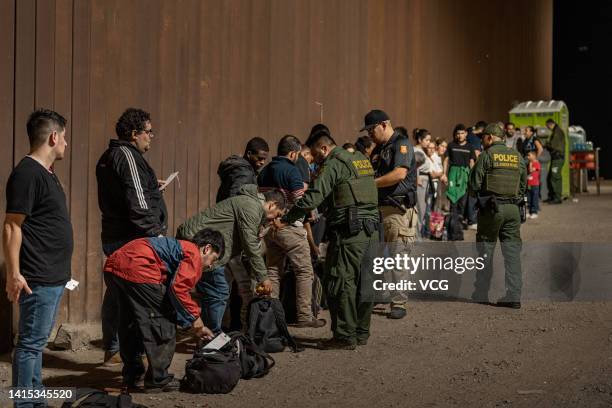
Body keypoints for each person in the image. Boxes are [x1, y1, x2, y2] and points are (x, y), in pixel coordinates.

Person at [280, 129, 379, 349]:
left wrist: (287, 219)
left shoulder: (334, 163)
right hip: (372, 230)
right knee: (366, 282)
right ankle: (361, 332)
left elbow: (314, 197)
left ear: (324, 148)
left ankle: (344, 336)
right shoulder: (360, 159)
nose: (314, 161)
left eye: (315, 155)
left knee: (341, 282)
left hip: (349, 232)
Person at [4, 109, 73, 406]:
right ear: (54, 137)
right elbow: (11, 226)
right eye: (65, 138)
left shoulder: (46, 174)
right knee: (30, 345)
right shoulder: (27, 173)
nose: (66, 145)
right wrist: (14, 273)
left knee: (36, 344)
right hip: (38, 276)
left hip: (55, 276)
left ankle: (36, 400)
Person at [103, 229, 223, 392]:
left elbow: (170, 293)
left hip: (114, 265)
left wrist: (189, 324)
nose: (210, 265)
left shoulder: (176, 247)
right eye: (213, 259)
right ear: (206, 248)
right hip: (139, 267)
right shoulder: (193, 253)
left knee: (130, 324)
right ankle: (158, 380)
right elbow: (178, 289)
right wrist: (196, 319)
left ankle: (132, 376)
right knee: (163, 322)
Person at [96, 107, 168, 365]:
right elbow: (137, 203)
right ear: (135, 134)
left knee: (116, 293)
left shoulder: (109, 156)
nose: (151, 137)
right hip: (131, 238)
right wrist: (156, 235)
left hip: (117, 236)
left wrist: (150, 185)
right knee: (136, 298)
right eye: (149, 132)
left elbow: (131, 192)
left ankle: (113, 349)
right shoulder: (127, 155)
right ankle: (133, 356)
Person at [176, 185, 285, 333]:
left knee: (211, 293)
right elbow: (250, 245)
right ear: (272, 204)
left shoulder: (250, 205)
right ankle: (212, 335)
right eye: (277, 215)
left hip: (204, 245)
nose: (275, 220)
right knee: (219, 291)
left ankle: (205, 331)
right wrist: (263, 277)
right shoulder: (251, 207)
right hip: (203, 247)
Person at [258, 135, 325, 327]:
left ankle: (272, 317)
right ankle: (304, 316)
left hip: (269, 228)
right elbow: (300, 201)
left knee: (272, 272)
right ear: (294, 153)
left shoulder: (264, 172)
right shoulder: (293, 171)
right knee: (304, 271)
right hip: (290, 228)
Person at [469, 124, 527, 309]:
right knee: (512, 254)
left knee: (485, 251)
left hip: (492, 210)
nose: (482, 141)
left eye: (483, 138)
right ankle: (514, 296)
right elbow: (524, 184)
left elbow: (473, 185)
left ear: (491, 137)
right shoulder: (517, 156)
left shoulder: (487, 155)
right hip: (513, 210)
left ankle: (481, 293)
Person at [367, 110, 418, 320]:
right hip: (379, 209)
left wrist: (371, 184)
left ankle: (399, 303)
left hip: (398, 210)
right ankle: (379, 294)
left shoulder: (401, 143)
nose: (370, 133)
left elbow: (400, 174)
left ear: (384, 124)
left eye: (372, 129)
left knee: (399, 259)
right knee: (377, 258)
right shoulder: (378, 149)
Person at [443, 124, 477, 239]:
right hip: (453, 174)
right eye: (458, 133)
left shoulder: (470, 147)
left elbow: (472, 162)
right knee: (453, 201)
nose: (460, 135)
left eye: (462, 133)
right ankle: (453, 228)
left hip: (465, 176)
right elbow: (446, 160)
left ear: (466, 134)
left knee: (463, 202)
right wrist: (444, 174)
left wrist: (473, 177)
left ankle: (459, 228)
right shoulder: (451, 145)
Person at [216, 137, 269, 203]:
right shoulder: (244, 173)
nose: (262, 162)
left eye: (264, 159)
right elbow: (234, 200)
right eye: (260, 158)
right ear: (249, 154)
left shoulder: (238, 168)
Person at [412, 129, 441, 236]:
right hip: (420, 183)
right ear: (420, 140)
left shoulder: (422, 151)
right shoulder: (416, 151)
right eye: (427, 140)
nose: (429, 142)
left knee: (422, 210)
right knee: (420, 209)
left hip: (425, 182)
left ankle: (417, 234)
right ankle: (416, 236)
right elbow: (414, 166)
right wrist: (417, 178)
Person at [544, 119, 565, 204]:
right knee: (550, 177)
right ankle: (552, 196)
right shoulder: (556, 131)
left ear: (550, 124)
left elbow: (554, 145)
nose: (547, 128)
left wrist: (546, 144)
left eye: (547, 126)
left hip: (558, 158)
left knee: (555, 177)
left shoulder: (557, 132)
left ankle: (557, 198)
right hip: (556, 158)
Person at [526, 151, 541, 219]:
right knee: (529, 198)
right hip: (529, 184)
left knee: (534, 198)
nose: (528, 157)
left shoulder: (536, 163)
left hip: (535, 184)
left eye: (529, 155)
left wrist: (531, 163)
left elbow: (531, 170)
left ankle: (534, 212)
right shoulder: (530, 163)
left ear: (534, 156)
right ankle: (529, 211)